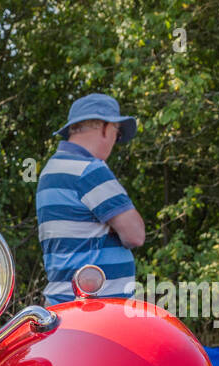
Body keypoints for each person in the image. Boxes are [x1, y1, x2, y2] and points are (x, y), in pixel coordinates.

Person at [36, 93, 146, 304]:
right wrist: (111, 225)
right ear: (105, 128)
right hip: (97, 309)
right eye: (118, 133)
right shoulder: (90, 170)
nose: (116, 141)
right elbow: (135, 235)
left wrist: (107, 225)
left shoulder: (50, 170)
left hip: (61, 304)